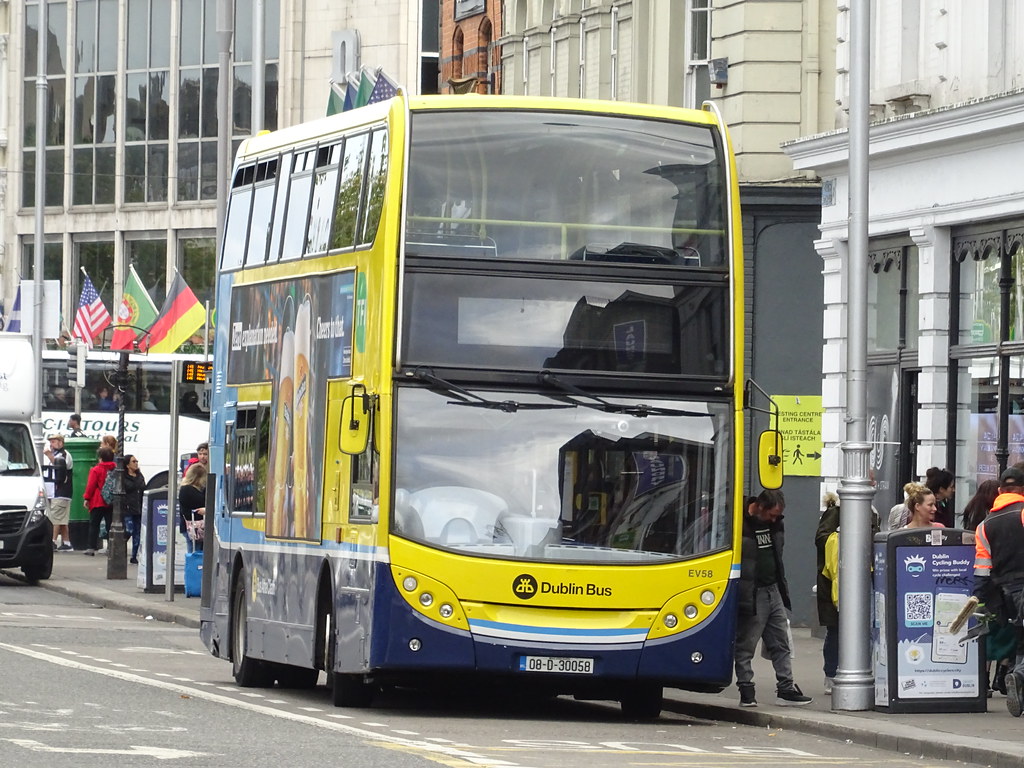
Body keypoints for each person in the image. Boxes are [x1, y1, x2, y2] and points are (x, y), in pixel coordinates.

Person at [734, 489, 812, 707]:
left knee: (780, 641)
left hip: (772, 588)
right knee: (746, 644)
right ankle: (746, 689)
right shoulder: (739, 522)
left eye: (777, 515)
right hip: (752, 591)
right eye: (772, 514)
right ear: (759, 506)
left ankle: (786, 687)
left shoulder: (775, 524)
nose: (775, 519)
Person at [972, 466, 1024, 717]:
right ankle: (1018, 675)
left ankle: (1018, 678)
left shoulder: (984, 525)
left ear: (1000, 491)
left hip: (1006, 592)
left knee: (1021, 639)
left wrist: (978, 599)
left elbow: (982, 568)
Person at [815, 491, 840, 694]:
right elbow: (822, 539)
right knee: (836, 630)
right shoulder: (836, 512)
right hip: (833, 581)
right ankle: (831, 674)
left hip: (856, 580)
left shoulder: (871, 511)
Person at [42, 432, 74, 551]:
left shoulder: (64, 455)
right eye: (50, 442)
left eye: (54, 441)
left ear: (61, 442)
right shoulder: (55, 454)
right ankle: (66, 543)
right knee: (61, 519)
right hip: (53, 492)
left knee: (55, 518)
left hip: (61, 492)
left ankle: (53, 542)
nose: (51, 444)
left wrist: (50, 455)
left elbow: (60, 468)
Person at [82, 447, 116, 556]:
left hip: (98, 500)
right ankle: (111, 547)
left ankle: (91, 547)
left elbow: (91, 485)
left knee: (94, 524)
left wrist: (87, 498)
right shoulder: (116, 469)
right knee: (110, 524)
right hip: (111, 500)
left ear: (100, 458)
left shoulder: (96, 470)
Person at [178, 461, 207, 553]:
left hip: (192, 526)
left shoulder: (186, 488)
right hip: (194, 527)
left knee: (194, 551)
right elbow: (203, 502)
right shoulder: (189, 490)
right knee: (195, 552)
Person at [122, 454, 146, 564]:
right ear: (127, 465)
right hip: (127, 507)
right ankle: (120, 548)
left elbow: (143, 489)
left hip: (138, 507)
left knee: (137, 533)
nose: (136, 463)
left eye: (137, 461)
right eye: (133, 461)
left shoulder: (140, 476)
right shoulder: (123, 476)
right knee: (129, 530)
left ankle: (134, 556)